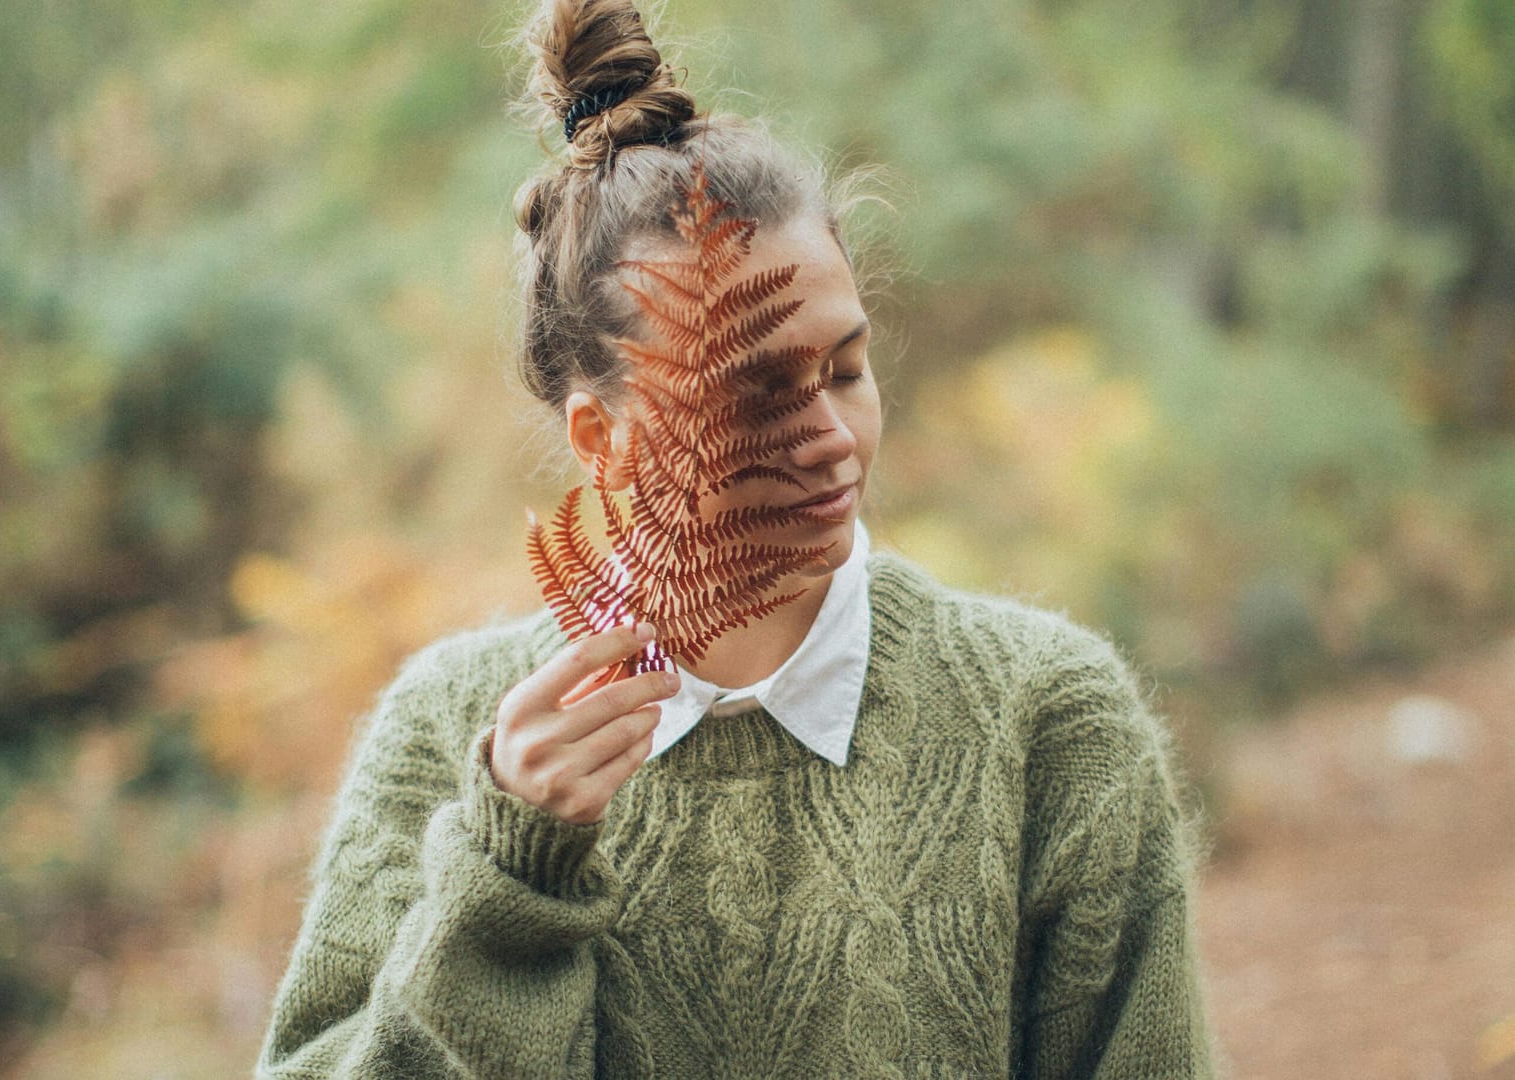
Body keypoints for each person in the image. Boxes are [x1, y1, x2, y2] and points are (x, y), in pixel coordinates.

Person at [257, 0, 1217, 1075]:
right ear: (602, 438)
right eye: (754, 396)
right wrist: (507, 882)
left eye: (846, 370)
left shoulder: (1049, 725)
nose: (829, 438)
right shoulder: (448, 741)